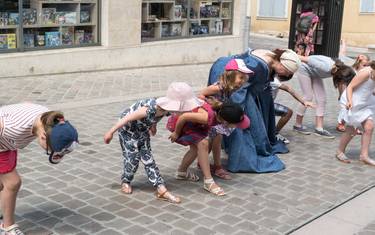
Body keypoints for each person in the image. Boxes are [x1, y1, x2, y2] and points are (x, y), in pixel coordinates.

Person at [103, 82, 202, 204]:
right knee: (132, 159)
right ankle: (126, 181)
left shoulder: (167, 110)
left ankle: (161, 188)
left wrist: (152, 125)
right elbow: (126, 118)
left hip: (142, 130)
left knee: (148, 159)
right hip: (127, 131)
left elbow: (156, 117)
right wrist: (110, 132)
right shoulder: (149, 109)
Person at [208, 49, 301, 173]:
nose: (285, 75)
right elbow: (239, 89)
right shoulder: (258, 67)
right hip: (230, 80)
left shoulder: (269, 59)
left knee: (248, 121)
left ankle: (225, 151)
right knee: (236, 122)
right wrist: (238, 112)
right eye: (286, 71)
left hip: (234, 79)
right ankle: (238, 159)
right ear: (280, 63)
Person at [0, 103, 79, 235]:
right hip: (2, 146)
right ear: (43, 136)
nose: (50, 152)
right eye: (50, 149)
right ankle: (7, 227)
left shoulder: (50, 119)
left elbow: (27, 104)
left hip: (8, 144)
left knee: (3, 184)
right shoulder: (12, 127)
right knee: (13, 183)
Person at [168, 99, 250, 196]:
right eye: (236, 124)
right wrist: (176, 133)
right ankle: (208, 181)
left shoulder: (221, 113)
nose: (237, 126)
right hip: (180, 124)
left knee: (195, 149)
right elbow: (184, 117)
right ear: (226, 121)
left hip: (195, 126)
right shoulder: (206, 117)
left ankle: (181, 172)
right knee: (203, 144)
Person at [199, 58, 254, 180]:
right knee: (215, 140)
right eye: (241, 77)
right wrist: (209, 108)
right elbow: (200, 95)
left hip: (219, 118)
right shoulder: (217, 88)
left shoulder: (229, 88)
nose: (242, 81)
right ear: (231, 75)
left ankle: (206, 163)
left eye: (244, 79)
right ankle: (216, 166)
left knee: (215, 140)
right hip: (213, 117)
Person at [293, 55, 356, 139]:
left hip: (315, 73)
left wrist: (341, 96)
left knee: (322, 99)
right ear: (340, 76)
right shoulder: (325, 67)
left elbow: (341, 84)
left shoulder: (340, 69)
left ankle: (319, 128)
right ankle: (297, 125)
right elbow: (302, 58)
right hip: (304, 69)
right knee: (308, 97)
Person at [336, 62, 375, 166]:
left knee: (369, 127)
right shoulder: (366, 73)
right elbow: (350, 87)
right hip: (352, 100)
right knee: (351, 129)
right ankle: (340, 151)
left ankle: (364, 156)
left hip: (366, 101)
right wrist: (349, 101)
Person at [336, 40, 371, 132]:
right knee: (346, 108)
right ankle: (341, 124)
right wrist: (344, 44)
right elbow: (342, 56)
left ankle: (354, 126)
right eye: (361, 55)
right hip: (349, 91)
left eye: (364, 57)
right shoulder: (351, 68)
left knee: (354, 109)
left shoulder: (366, 70)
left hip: (358, 92)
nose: (361, 56)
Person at [270, 75, 316, 144]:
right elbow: (289, 89)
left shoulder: (273, 77)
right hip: (264, 105)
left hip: (268, 104)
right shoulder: (274, 80)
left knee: (287, 112)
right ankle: (274, 134)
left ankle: (274, 133)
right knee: (288, 112)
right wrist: (304, 102)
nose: (289, 74)